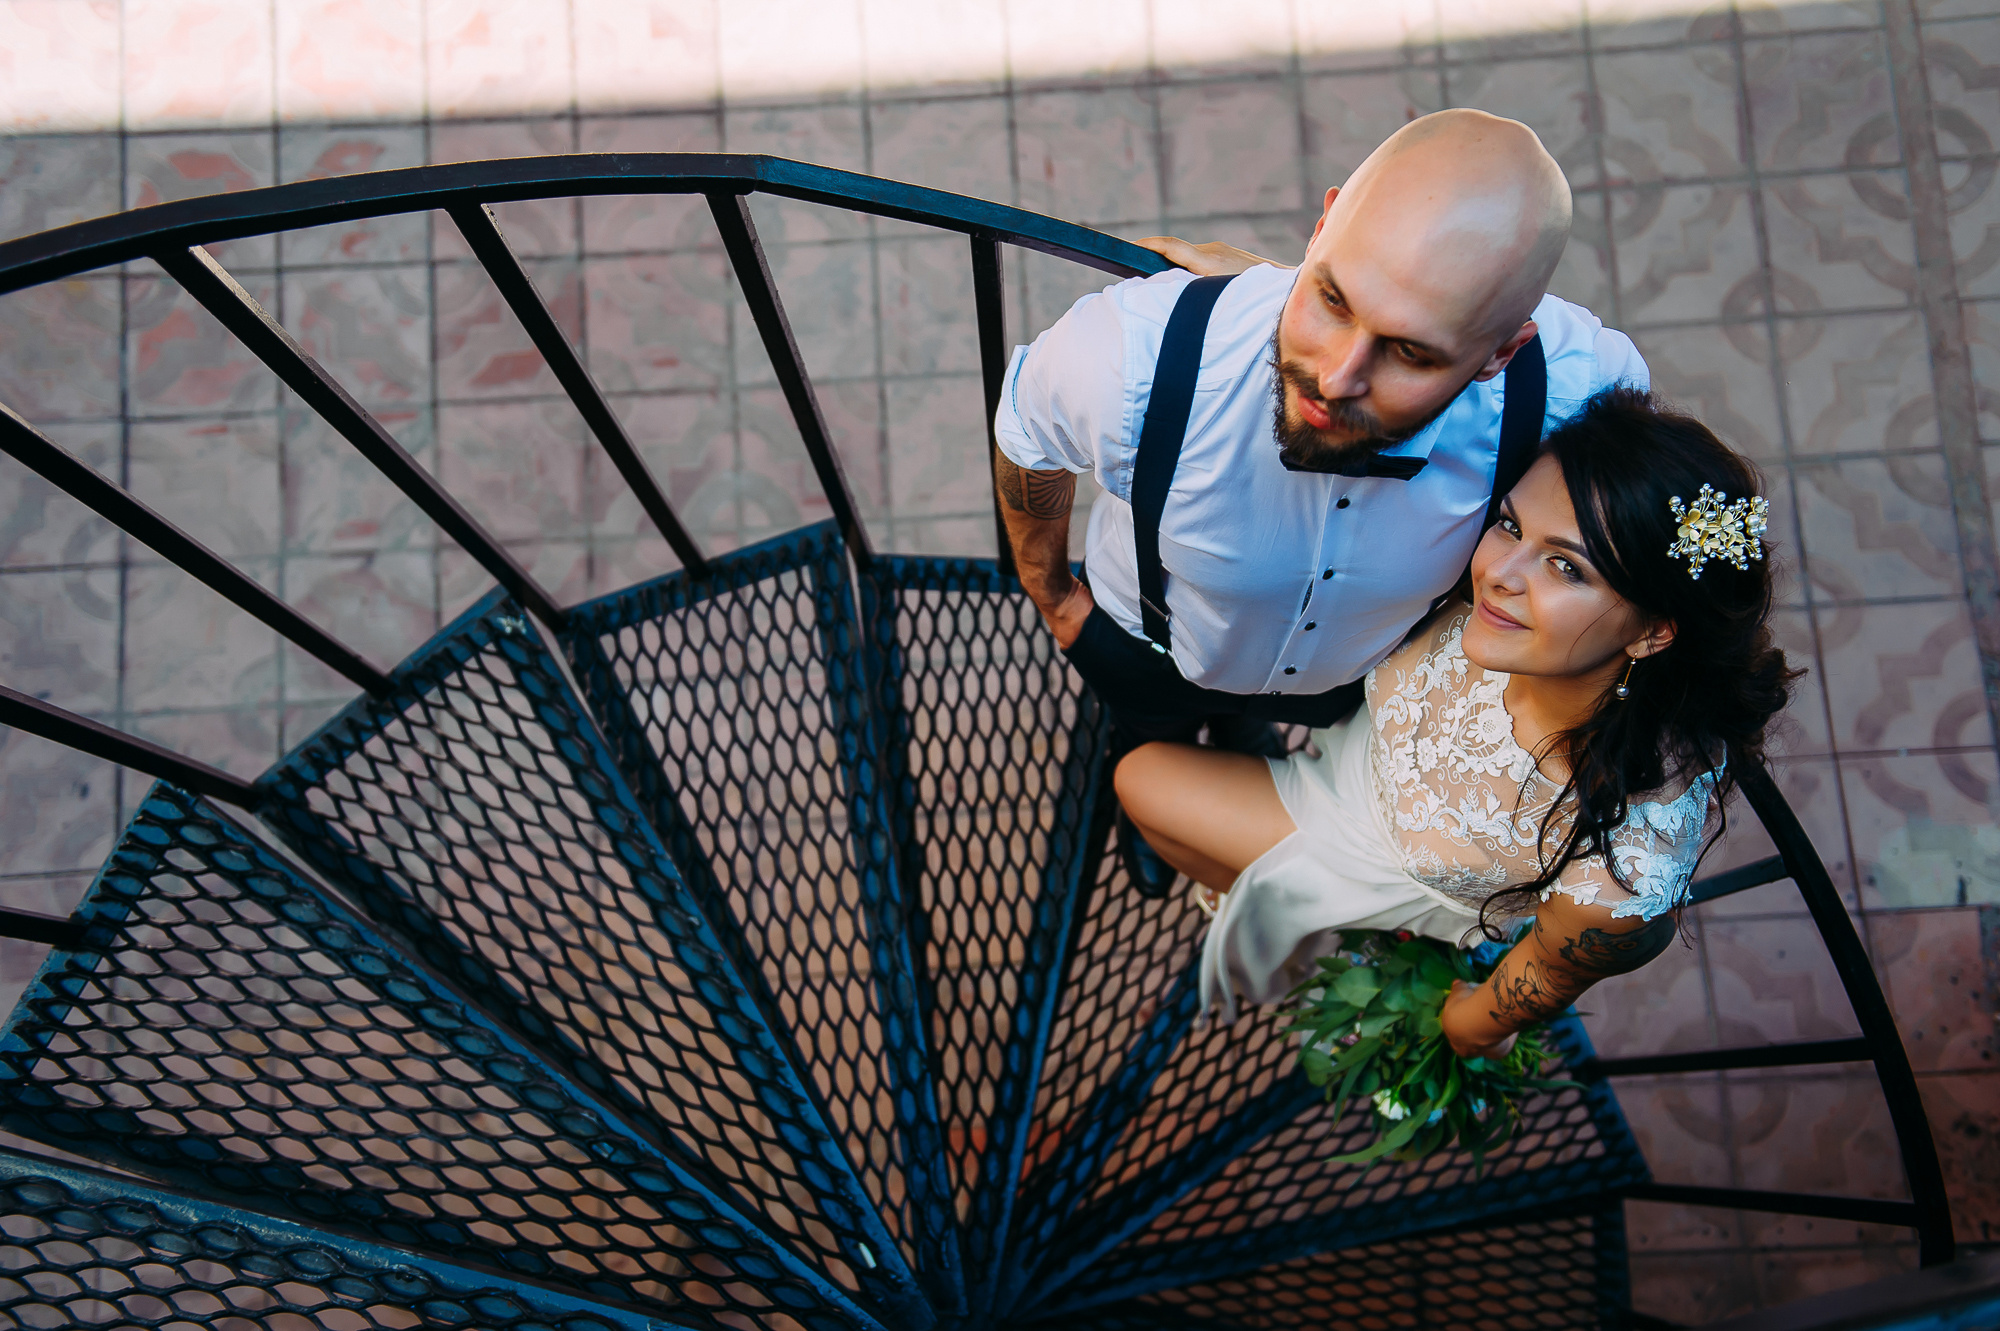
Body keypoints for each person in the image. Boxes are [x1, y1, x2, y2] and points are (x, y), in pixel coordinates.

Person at [992, 108, 1649, 896]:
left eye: (1410, 350)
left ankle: (1237, 745)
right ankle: (1151, 808)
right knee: (1141, 734)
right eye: (1333, 298)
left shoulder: (1576, 393)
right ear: (1323, 226)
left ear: (1502, 352)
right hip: (1148, 644)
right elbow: (1027, 436)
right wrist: (1054, 594)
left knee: (1254, 743)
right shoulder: (1131, 355)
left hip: (1353, 674)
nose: (1337, 380)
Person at [1111, 388, 1799, 1052]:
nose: (1499, 570)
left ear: (1652, 632)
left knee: (1142, 780)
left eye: (1566, 565)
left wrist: (1435, 1015)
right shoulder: (1515, 624)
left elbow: (1501, 1009)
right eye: (1510, 523)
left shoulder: (1619, 876)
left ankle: (1295, 912)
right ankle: (1242, 846)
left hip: (1367, 861)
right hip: (1349, 748)